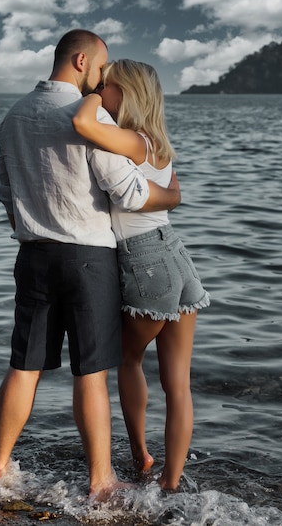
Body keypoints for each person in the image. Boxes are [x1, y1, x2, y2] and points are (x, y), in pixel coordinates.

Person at [0, 30, 181, 501]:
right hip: (89, 258)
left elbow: (6, 194)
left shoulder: (13, 118)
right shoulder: (87, 118)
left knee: (24, 367)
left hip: (32, 255)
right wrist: (172, 195)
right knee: (90, 373)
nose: (102, 80)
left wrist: (33, 226)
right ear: (80, 60)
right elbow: (131, 194)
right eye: (100, 68)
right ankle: (100, 482)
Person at [72, 58, 210, 491]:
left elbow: (80, 121)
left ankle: (139, 454)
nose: (101, 91)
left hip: (147, 260)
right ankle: (171, 483)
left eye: (109, 85)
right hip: (178, 258)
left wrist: (88, 91)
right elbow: (173, 196)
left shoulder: (131, 140)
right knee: (179, 386)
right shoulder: (159, 144)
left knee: (128, 360)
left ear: (125, 92)